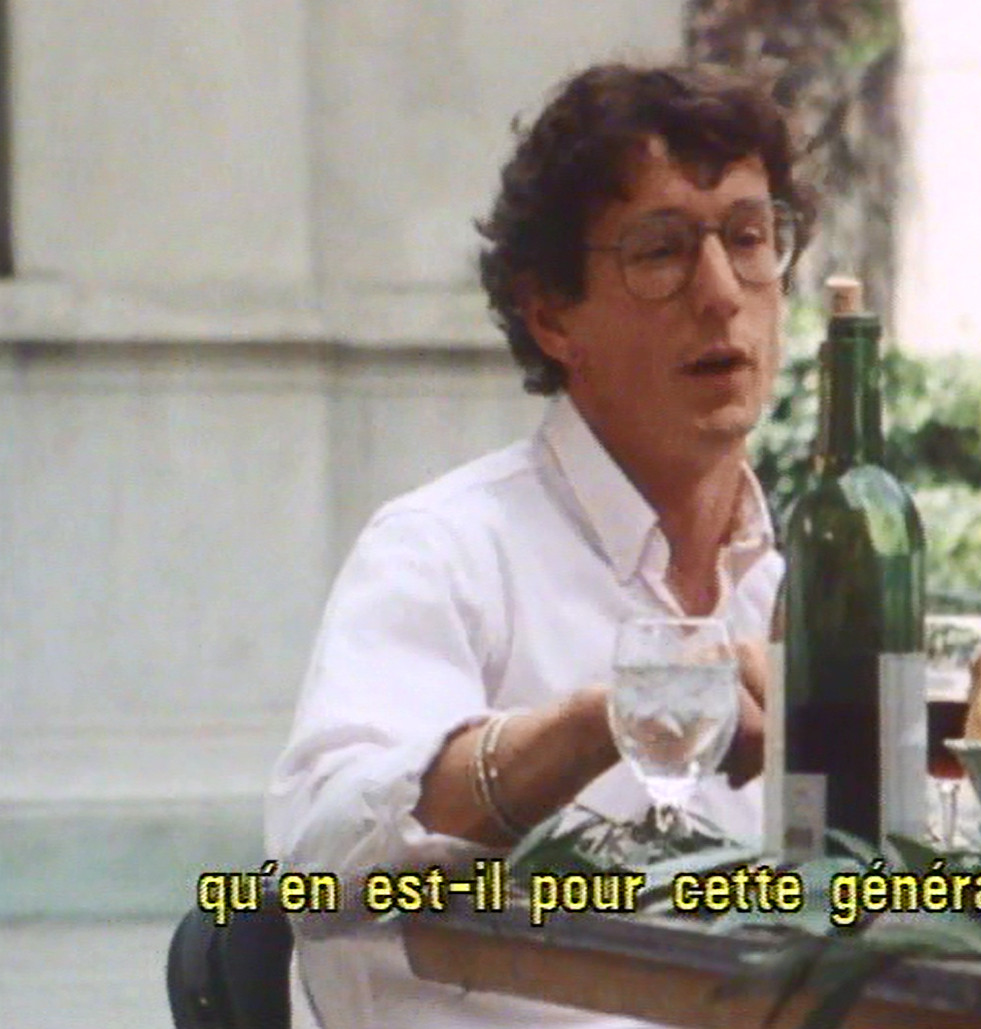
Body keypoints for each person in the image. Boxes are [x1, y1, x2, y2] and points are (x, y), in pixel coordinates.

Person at [265, 60, 816, 1029]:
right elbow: (317, 862)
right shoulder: (444, 551)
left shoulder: (789, 595)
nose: (721, 292)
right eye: (660, 251)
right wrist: (602, 723)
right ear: (552, 315)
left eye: (747, 237)